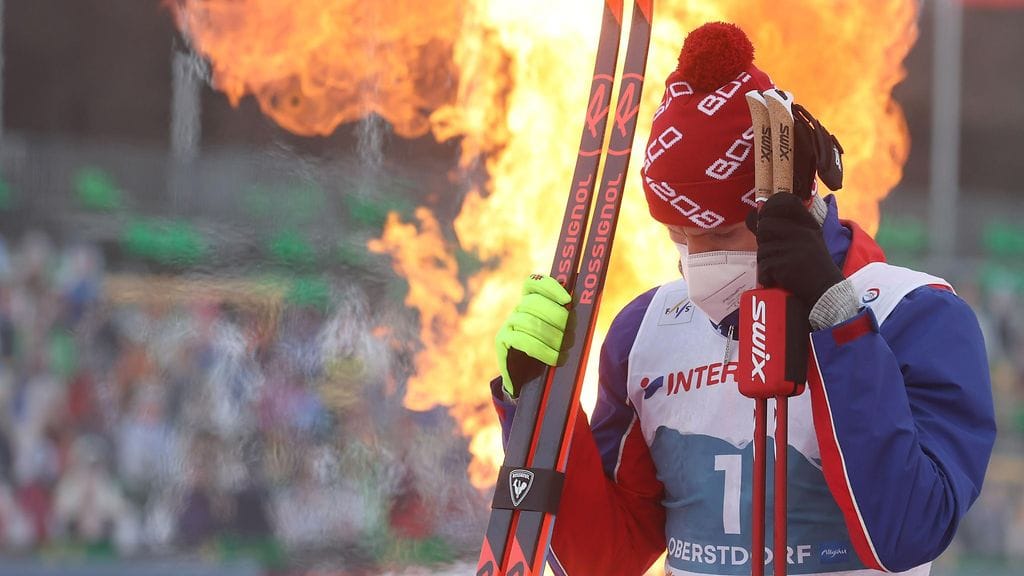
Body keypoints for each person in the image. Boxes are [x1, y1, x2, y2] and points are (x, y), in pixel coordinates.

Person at [489, 22, 995, 576]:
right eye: (681, 238)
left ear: (792, 204)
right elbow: (606, 559)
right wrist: (536, 406)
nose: (698, 259)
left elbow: (910, 531)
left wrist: (833, 320)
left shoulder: (917, 312)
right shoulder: (645, 331)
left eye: (723, 235)